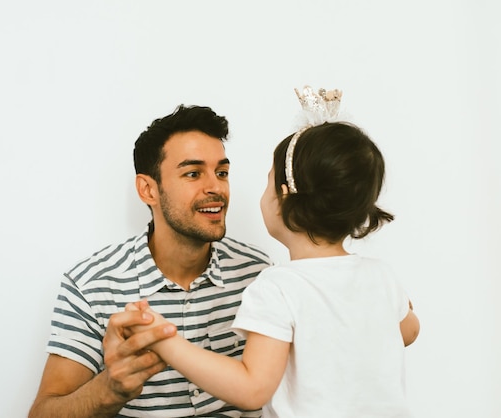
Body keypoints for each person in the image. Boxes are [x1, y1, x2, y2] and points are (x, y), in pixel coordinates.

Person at [126, 87, 421, 417]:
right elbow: (409, 331)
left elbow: (252, 389)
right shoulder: (380, 275)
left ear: (283, 198)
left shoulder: (276, 286)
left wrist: (165, 341)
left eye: (268, 183)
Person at [28, 104, 273, 418]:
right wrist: (109, 389)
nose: (215, 187)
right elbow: (42, 413)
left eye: (222, 172)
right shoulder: (91, 285)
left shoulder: (258, 273)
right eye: (193, 173)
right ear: (148, 190)